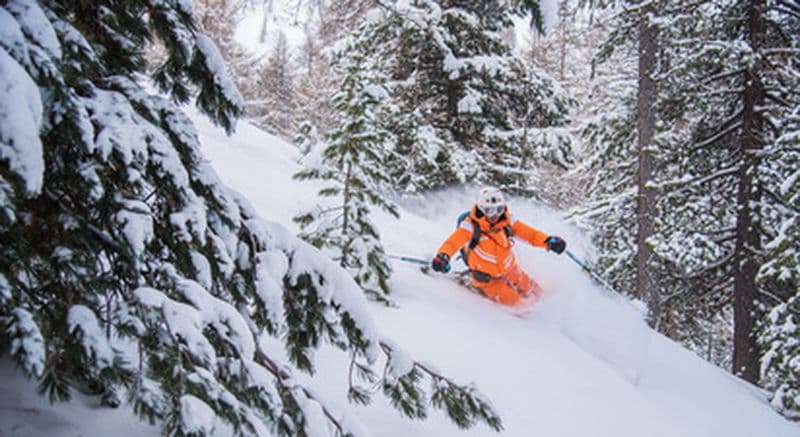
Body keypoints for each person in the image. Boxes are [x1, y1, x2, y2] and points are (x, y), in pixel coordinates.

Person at [431, 187, 566, 306]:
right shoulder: (470, 226)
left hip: (511, 269)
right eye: (489, 210)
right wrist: (443, 256)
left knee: (537, 293)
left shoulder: (507, 221)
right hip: (488, 280)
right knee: (519, 305)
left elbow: (531, 235)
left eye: (499, 209)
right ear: (482, 209)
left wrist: (548, 241)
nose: (495, 214)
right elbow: (453, 242)